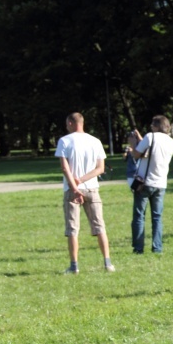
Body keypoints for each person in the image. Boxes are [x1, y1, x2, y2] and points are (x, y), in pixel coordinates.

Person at [55, 112, 115, 274]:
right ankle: (107, 263)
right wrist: (82, 180)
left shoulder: (64, 141)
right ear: (82, 123)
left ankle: (74, 266)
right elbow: (100, 169)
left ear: (69, 123)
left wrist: (74, 187)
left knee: (72, 229)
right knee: (99, 226)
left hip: (71, 191)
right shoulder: (95, 141)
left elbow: (64, 167)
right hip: (92, 188)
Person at [129, 115, 173, 254]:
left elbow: (137, 155)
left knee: (139, 216)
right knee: (157, 217)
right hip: (161, 183)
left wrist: (133, 145)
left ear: (156, 126)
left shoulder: (150, 137)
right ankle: (157, 247)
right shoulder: (171, 142)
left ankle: (138, 248)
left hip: (145, 182)